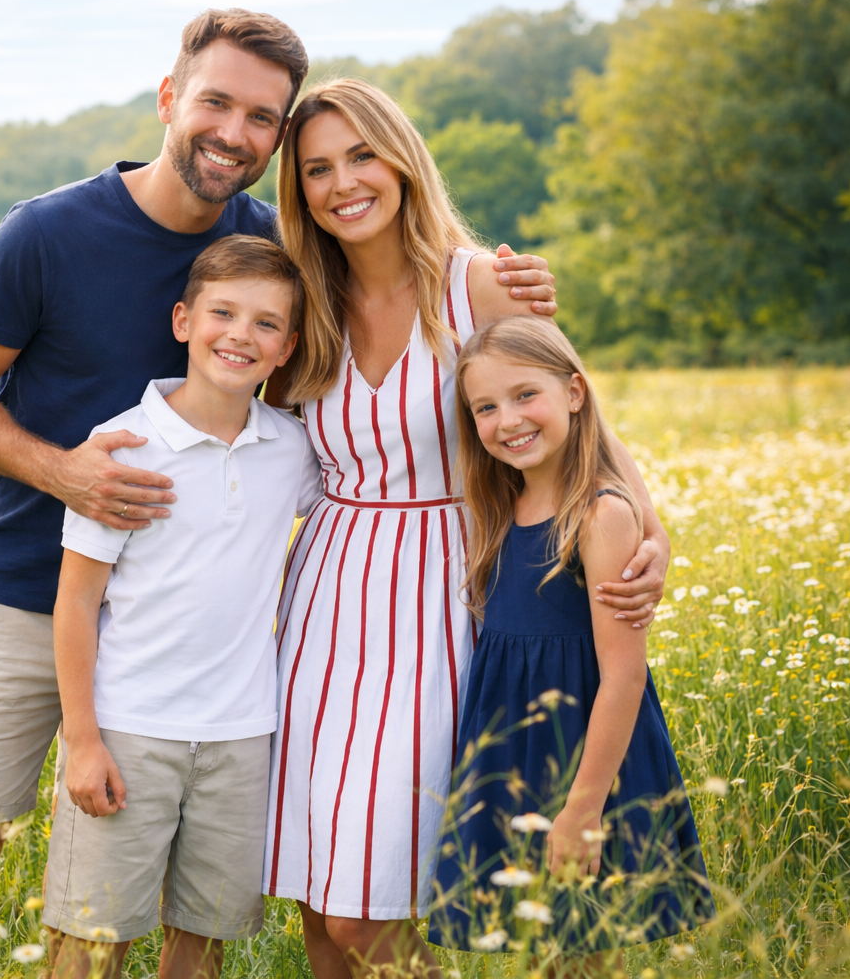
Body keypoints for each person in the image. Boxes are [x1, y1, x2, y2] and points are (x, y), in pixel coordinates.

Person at [0, 10, 559, 977]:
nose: (234, 132)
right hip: (24, 584)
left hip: (190, 635)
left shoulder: (281, 251)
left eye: (263, 118)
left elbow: (389, 313)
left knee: (183, 909)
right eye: (216, 102)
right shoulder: (49, 232)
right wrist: (67, 472)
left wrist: (513, 288)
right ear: (170, 99)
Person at [259, 79, 672, 979]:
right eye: (319, 168)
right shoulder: (305, 301)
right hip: (323, 608)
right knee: (322, 909)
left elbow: (579, 411)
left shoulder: (476, 283)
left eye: (362, 155)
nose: (344, 183)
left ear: (403, 158)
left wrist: (652, 535)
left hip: (446, 597)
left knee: (371, 910)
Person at [46, 236, 321, 979]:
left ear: (287, 347)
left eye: (266, 324)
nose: (241, 334)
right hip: (131, 730)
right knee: (91, 941)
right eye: (222, 313)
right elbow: (75, 602)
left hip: (242, 736)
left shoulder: (292, 449)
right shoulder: (125, 452)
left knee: (201, 944)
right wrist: (83, 740)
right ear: (182, 321)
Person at [429, 316, 712, 974]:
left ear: (576, 394)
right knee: (542, 949)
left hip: (586, 760)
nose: (508, 420)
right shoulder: (502, 504)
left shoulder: (601, 515)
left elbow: (624, 677)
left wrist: (583, 809)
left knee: (589, 950)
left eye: (527, 394)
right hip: (517, 752)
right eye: (486, 408)